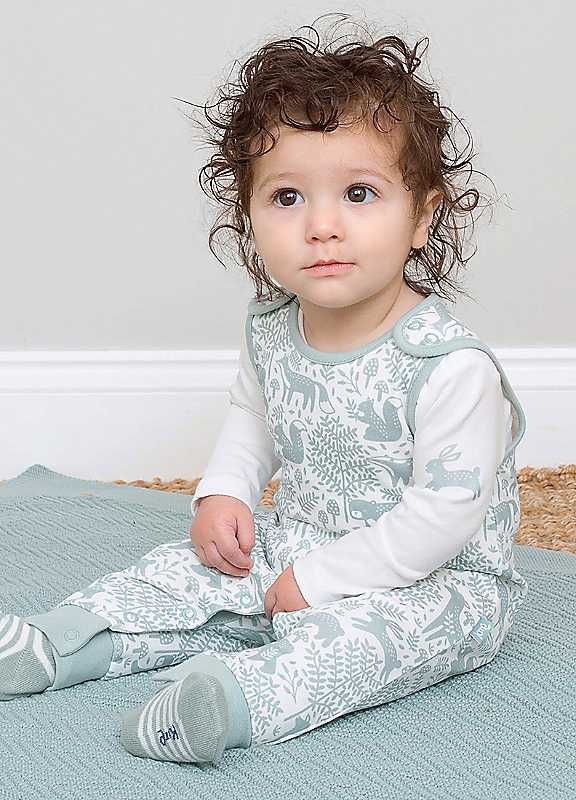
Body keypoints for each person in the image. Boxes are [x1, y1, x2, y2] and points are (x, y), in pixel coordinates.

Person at [0, 17, 528, 766]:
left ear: (423, 216)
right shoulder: (275, 327)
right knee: (189, 574)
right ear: (247, 215)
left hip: (435, 579)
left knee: (370, 645)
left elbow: (441, 521)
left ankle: (229, 702)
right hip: (301, 536)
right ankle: (62, 642)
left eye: (359, 193)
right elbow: (255, 418)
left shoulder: (450, 367)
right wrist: (224, 494)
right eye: (286, 197)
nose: (321, 226)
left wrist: (321, 581)